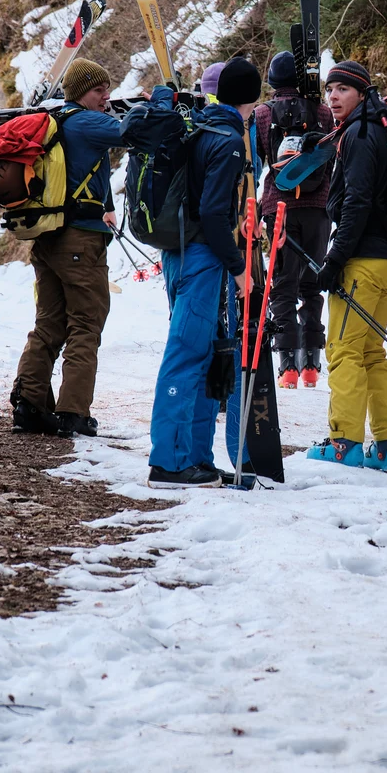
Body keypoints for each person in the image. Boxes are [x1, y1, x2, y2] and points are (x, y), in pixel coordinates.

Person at [147, 56, 266, 487]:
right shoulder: (229, 141)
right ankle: (168, 462)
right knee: (186, 353)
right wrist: (238, 269)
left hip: (180, 252)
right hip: (202, 256)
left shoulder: (200, 126)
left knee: (201, 356)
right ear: (252, 97)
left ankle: (195, 457)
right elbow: (215, 214)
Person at [0, 58, 123, 439]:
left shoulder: (63, 122)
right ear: (79, 92)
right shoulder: (88, 122)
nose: (106, 96)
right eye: (99, 90)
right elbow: (134, 132)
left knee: (48, 324)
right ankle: (73, 413)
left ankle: (30, 405)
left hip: (49, 239)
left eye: (107, 89)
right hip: (80, 242)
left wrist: (109, 205)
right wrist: (162, 101)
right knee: (85, 324)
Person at [306, 60, 387, 472]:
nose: (333, 97)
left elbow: (356, 202)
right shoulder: (386, 128)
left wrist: (334, 260)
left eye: (342, 90)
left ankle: (344, 443)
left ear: (361, 93)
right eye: (329, 90)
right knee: (370, 351)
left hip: (364, 259)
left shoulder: (359, 132)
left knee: (343, 351)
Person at [254, 50, 334, 389]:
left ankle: (286, 365)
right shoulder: (324, 113)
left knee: (282, 286)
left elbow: (258, 161)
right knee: (313, 284)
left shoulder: (261, 114)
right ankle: (312, 363)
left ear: (272, 82)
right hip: (318, 208)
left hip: (278, 209)